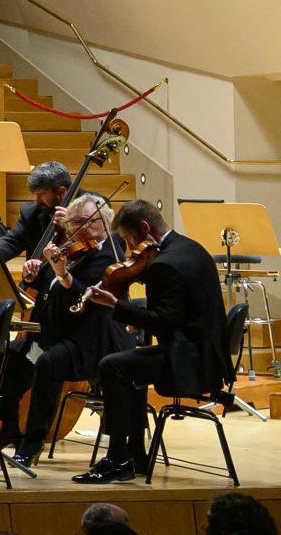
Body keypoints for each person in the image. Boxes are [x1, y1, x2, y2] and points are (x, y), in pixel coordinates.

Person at [78, 200, 230, 485]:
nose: (128, 249)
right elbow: (179, 307)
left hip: (190, 361)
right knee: (129, 367)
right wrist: (141, 314)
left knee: (112, 366)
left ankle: (117, 458)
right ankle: (135, 454)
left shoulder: (165, 265)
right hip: (206, 352)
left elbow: (164, 320)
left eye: (127, 239)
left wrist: (115, 304)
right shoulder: (191, 248)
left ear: (144, 229)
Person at [0, 192, 123, 473]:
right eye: (72, 222)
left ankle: (33, 441)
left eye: (83, 223)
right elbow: (48, 284)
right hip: (55, 333)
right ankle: (10, 427)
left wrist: (62, 273)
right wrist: (34, 271)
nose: (75, 229)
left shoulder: (110, 259)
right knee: (10, 354)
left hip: (88, 341)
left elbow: (83, 300)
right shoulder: (74, 249)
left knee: (50, 363)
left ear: (103, 222)